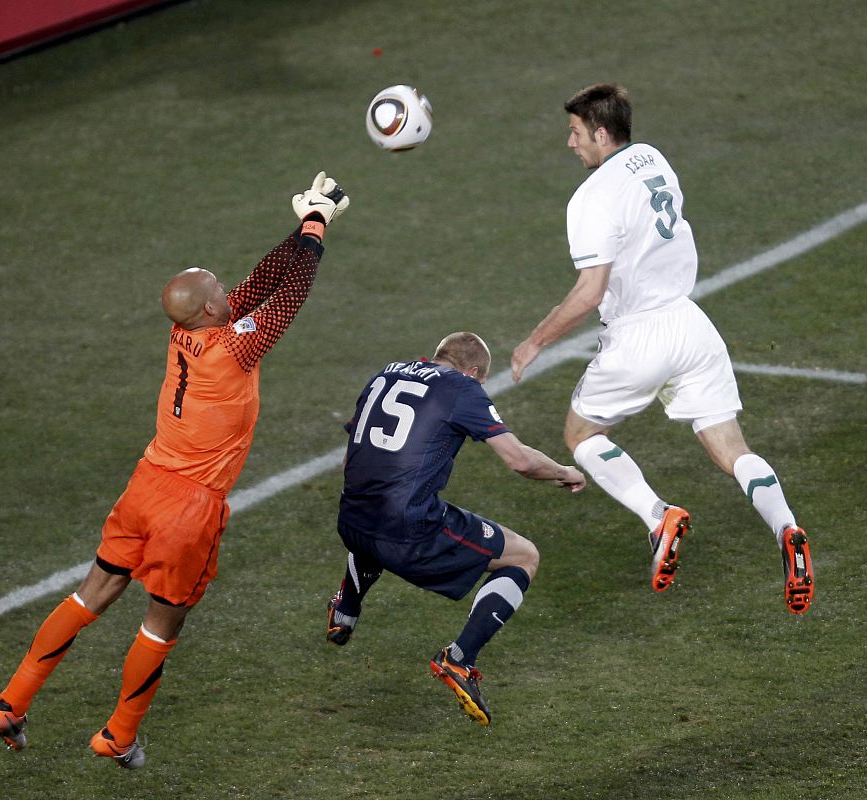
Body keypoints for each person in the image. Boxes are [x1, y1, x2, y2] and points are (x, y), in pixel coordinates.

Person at [0, 172, 350, 768]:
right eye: (220, 289)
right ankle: (119, 735)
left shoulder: (187, 332)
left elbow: (261, 285)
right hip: (189, 504)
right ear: (211, 307)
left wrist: (304, 219)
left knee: (91, 593)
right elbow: (289, 294)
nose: (231, 290)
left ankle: (9, 705)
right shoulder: (235, 347)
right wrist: (317, 227)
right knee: (161, 622)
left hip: (145, 484)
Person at [511, 83, 814, 614]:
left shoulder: (590, 198)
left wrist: (534, 341)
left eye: (576, 132)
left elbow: (590, 293)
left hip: (639, 333)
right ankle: (786, 528)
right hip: (692, 324)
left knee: (580, 434)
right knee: (731, 447)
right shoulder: (652, 157)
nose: (570, 143)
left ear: (601, 133)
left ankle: (658, 517)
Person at [326, 332, 586, 725]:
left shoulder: (386, 374)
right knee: (524, 556)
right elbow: (519, 461)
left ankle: (345, 608)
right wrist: (564, 472)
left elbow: (351, 463)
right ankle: (459, 660)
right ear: (472, 371)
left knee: (376, 517)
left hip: (351, 521)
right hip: (407, 530)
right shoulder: (463, 387)